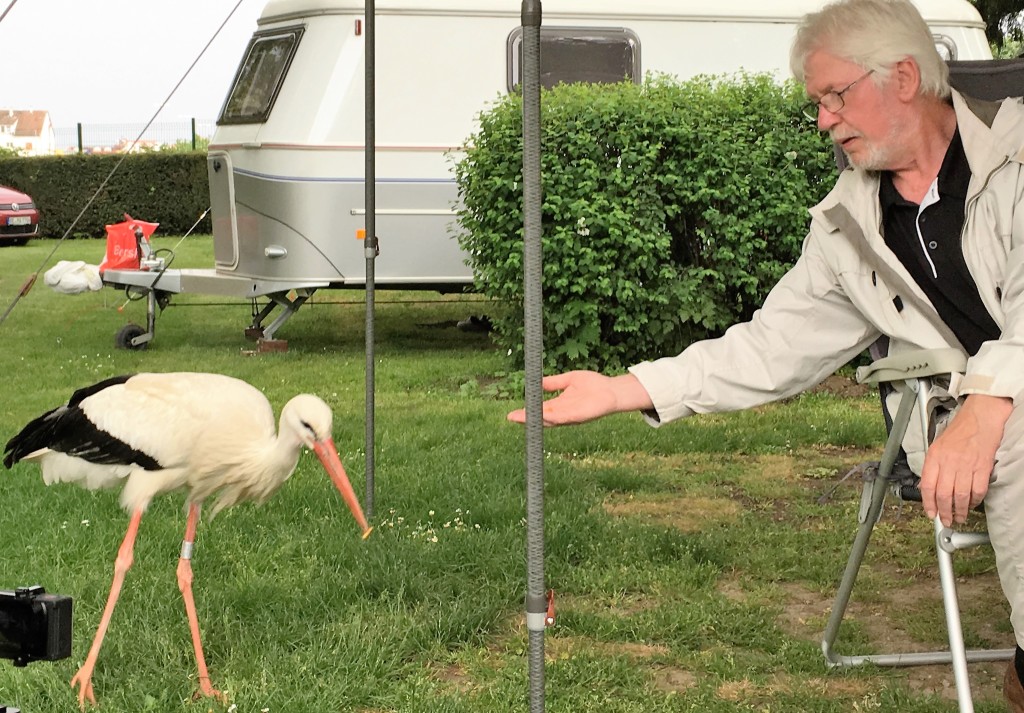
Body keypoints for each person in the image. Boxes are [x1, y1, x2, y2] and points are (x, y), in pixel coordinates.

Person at [507, 0, 1024, 708]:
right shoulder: (848, 227)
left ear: (904, 77)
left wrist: (992, 396)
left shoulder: (1019, 150)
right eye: (816, 103)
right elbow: (772, 344)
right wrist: (628, 387)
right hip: (986, 427)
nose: (822, 121)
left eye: (834, 96)